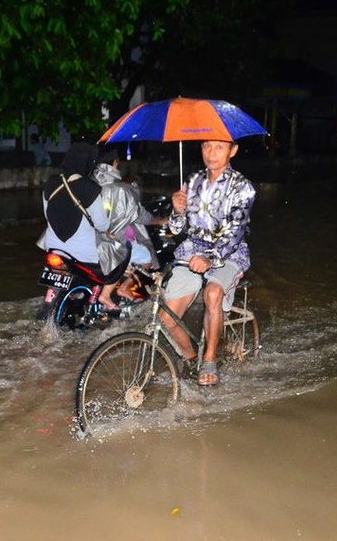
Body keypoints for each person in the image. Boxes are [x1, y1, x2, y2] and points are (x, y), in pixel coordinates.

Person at [160, 139, 255, 386]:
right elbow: (176, 228)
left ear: (233, 150)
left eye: (219, 147)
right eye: (206, 146)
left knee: (212, 294)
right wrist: (177, 210)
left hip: (228, 254)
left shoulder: (242, 187)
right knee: (166, 317)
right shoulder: (192, 181)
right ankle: (192, 359)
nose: (211, 153)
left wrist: (210, 258)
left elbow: (235, 233)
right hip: (191, 253)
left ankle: (210, 359)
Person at [91, 146, 165, 310]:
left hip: (91, 242)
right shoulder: (121, 190)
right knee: (146, 257)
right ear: (115, 163)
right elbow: (140, 215)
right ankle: (121, 289)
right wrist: (158, 221)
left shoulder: (90, 185)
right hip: (114, 244)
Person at [40, 142, 108, 264]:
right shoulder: (90, 189)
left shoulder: (50, 184)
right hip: (83, 254)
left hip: (53, 248)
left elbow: (47, 215)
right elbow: (101, 225)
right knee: (113, 274)